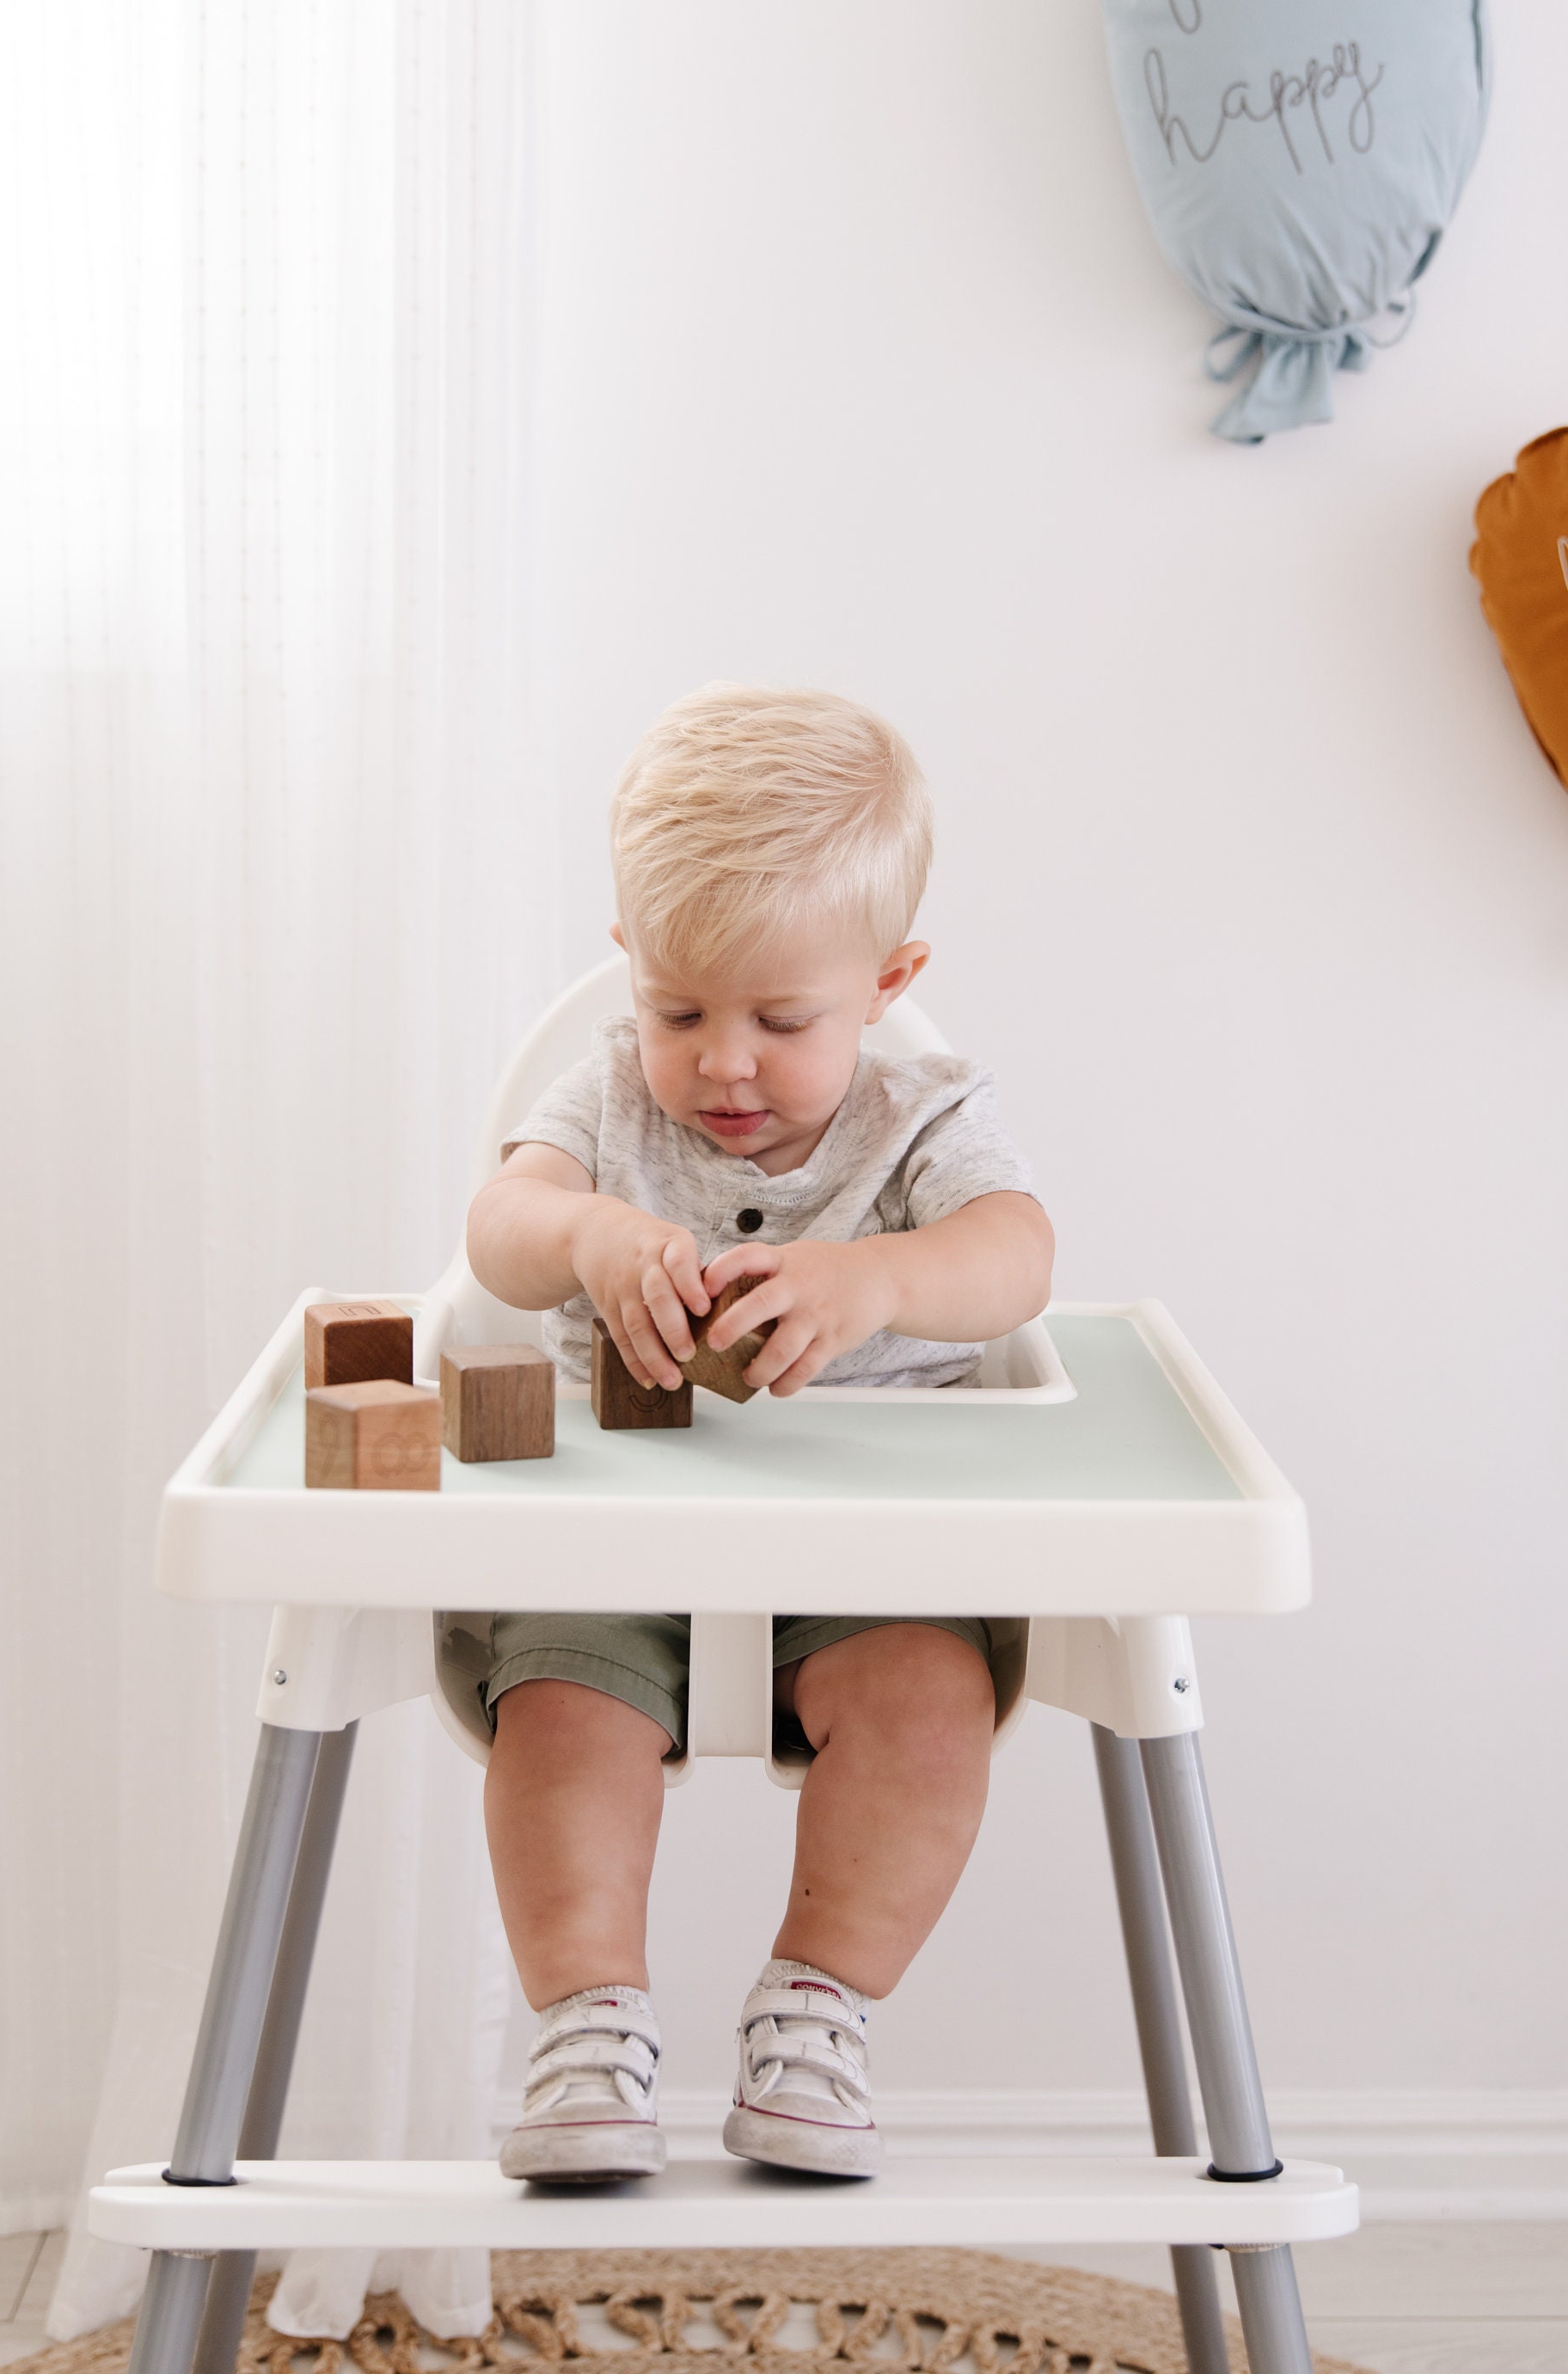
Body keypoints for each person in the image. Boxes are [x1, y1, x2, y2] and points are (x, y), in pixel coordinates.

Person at [464, 684, 1053, 2182]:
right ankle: (586, 2025)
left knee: (934, 1711)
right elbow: (499, 1226)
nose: (724, 1063)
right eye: (680, 1011)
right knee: (556, 1715)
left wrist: (881, 1279)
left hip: (868, 1555)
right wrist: (586, 1234)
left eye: (782, 1021)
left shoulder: (926, 1119)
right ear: (631, 971)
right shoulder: (608, 1096)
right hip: (621, 1544)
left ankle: (816, 2012)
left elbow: (1018, 1255)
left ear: (887, 982)